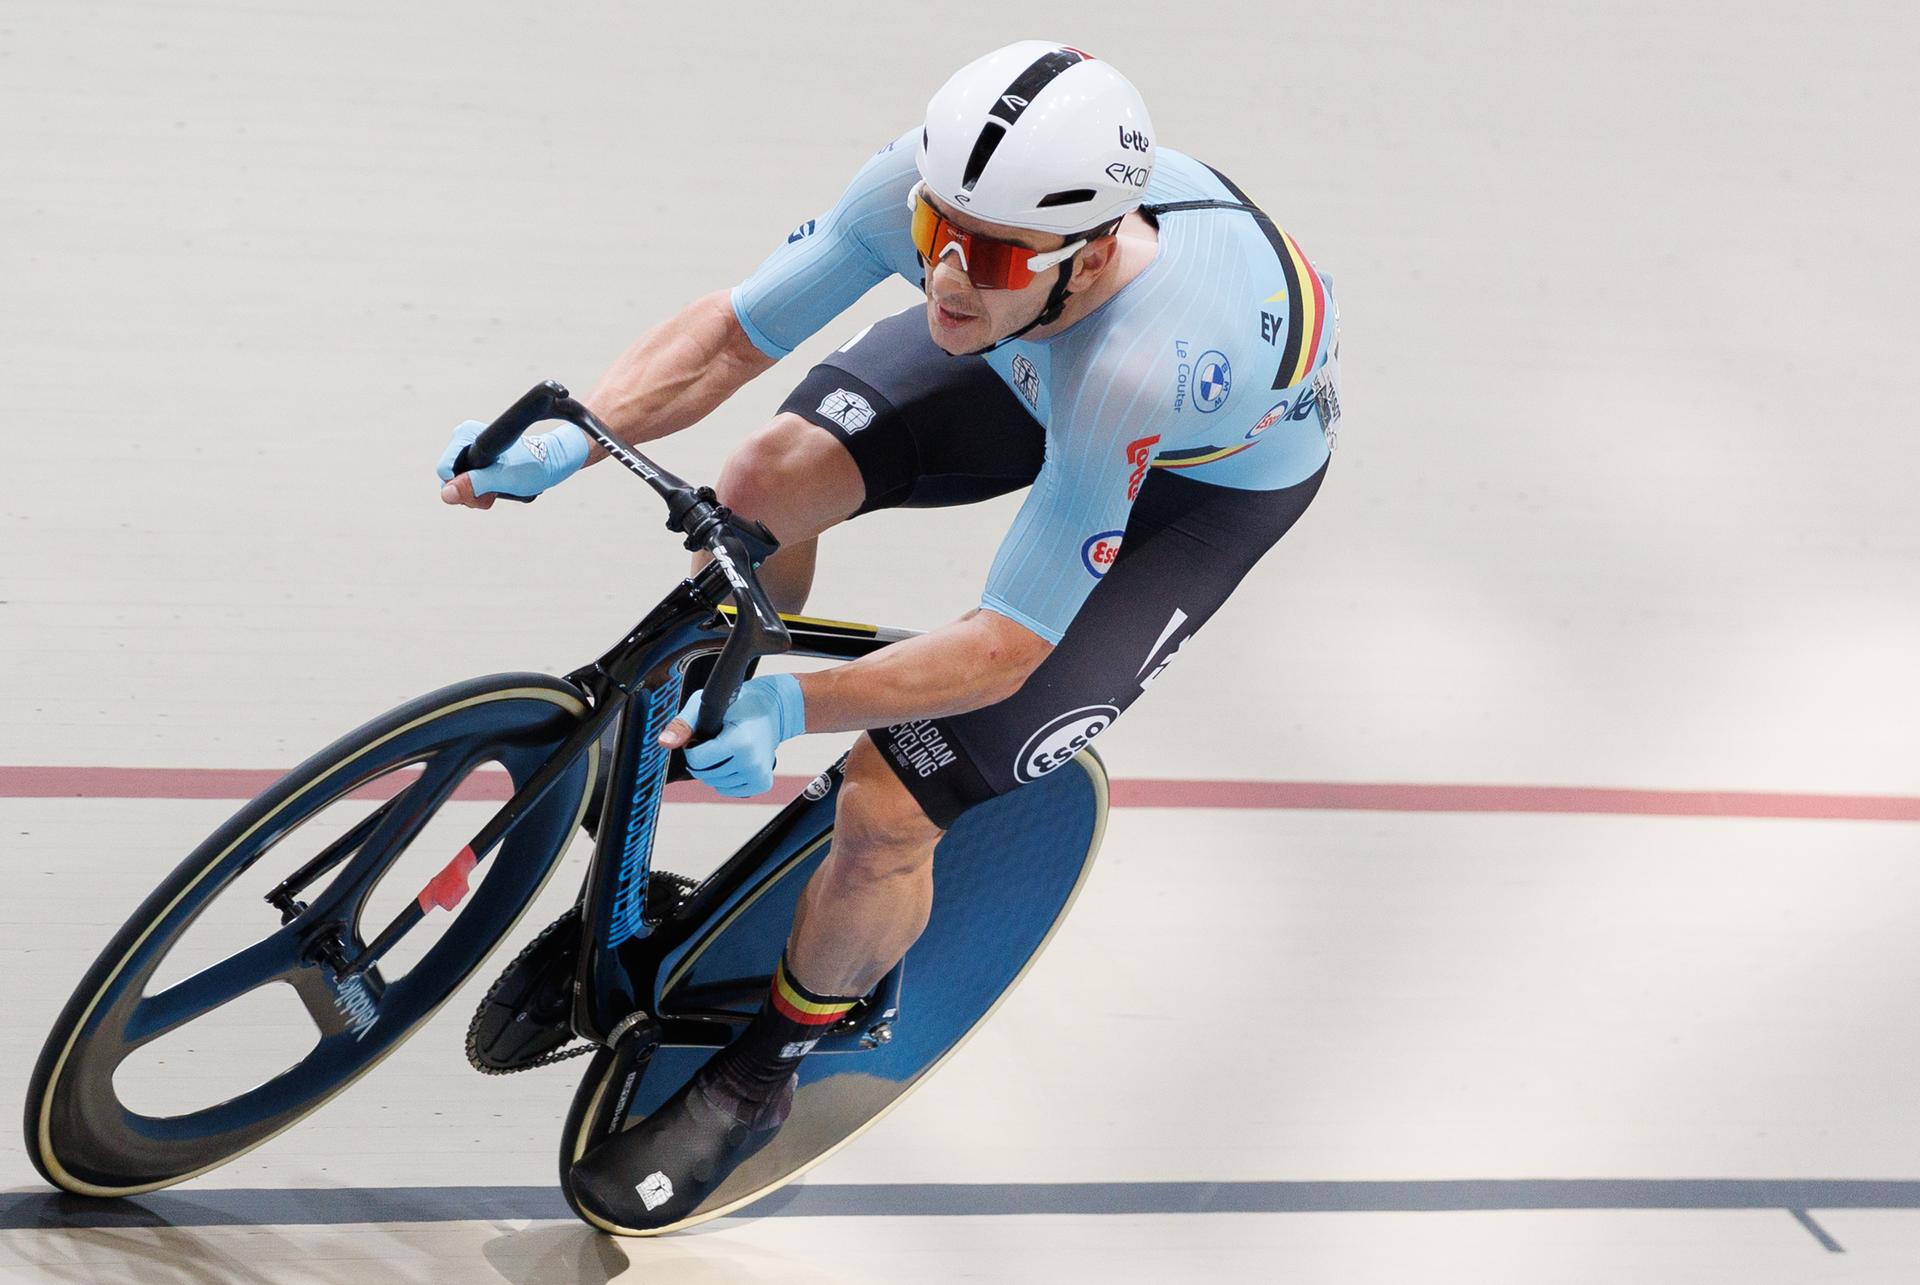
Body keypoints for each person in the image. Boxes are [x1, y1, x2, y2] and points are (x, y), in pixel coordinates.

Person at [437, 40, 1341, 1230]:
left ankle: (763, 1072)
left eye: (997, 254)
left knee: (887, 803)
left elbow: (1010, 642)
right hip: (1030, 363)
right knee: (762, 477)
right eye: (936, 235)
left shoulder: (1140, 358)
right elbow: (732, 335)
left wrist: (800, 708)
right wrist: (579, 431)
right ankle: (733, 718)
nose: (952, 278)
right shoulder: (951, 218)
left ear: (1092, 250)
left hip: (1190, 485)